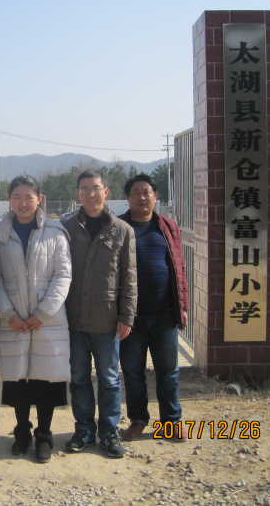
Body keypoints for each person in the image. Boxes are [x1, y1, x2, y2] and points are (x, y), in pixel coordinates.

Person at [0, 175, 71, 463]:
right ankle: (22, 432)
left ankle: (44, 435)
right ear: (9, 200)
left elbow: (63, 275)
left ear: (40, 199)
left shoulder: (55, 232)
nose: (23, 203)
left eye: (29, 196)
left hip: (47, 320)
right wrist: (8, 313)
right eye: (17, 197)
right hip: (13, 319)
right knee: (18, 381)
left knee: (45, 381)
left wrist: (43, 313)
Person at [62, 170, 137, 458]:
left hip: (107, 319)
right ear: (78, 194)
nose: (91, 194)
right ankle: (83, 430)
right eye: (85, 189)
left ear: (106, 191)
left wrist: (127, 316)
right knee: (78, 377)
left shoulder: (122, 230)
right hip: (74, 319)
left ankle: (109, 431)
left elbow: (129, 277)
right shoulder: (66, 228)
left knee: (109, 379)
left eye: (96, 188)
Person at [118, 173, 189, 442]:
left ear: (155, 196)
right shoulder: (119, 227)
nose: (142, 197)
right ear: (127, 198)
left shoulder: (168, 227)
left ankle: (171, 422)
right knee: (133, 372)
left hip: (164, 315)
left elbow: (179, 268)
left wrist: (182, 305)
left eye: (146, 192)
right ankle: (138, 420)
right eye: (136, 193)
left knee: (168, 372)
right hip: (131, 317)